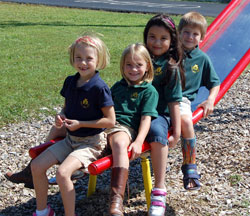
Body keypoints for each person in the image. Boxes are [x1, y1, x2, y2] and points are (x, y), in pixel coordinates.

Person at [30, 33, 116, 216]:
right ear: (72, 58)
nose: (83, 63)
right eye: (78, 58)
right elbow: (66, 108)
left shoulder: (99, 87)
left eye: (88, 58)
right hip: (70, 140)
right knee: (36, 166)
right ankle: (43, 211)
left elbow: (110, 121)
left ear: (99, 60)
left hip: (91, 143)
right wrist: (60, 117)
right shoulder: (70, 81)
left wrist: (81, 123)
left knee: (62, 173)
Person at [107, 43, 158, 216]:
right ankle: (34, 169)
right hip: (106, 124)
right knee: (64, 128)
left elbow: (146, 118)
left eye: (139, 65)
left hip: (125, 128)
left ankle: (116, 199)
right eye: (129, 64)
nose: (133, 69)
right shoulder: (117, 86)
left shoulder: (148, 91)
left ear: (147, 66)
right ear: (122, 66)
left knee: (120, 143)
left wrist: (138, 141)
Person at [143, 14, 185, 216]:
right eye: (152, 36)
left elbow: (174, 102)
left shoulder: (170, 67)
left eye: (163, 38)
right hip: (138, 111)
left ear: (171, 41)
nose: (157, 42)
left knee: (156, 132)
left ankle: (159, 190)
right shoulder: (139, 59)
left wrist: (176, 131)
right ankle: (81, 156)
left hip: (159, 114)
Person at [178, 12, 220, 190]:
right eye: (186, 32)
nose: (190, 37)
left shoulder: (202, 59)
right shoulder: (171, 52)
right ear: (179, 33)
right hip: (162, 97)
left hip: (181, 99)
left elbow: (215, 83)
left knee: (186, 120)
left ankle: (190, 166)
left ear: (201, 37)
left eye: (195, 34)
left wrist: (210, 100)